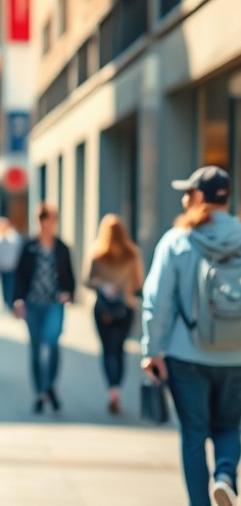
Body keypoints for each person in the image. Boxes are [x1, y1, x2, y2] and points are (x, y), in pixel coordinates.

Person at [142, 166, 241, 506]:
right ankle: (226, 476)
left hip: (186, 355)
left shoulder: (177, 240)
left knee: (194, 435)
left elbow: (157, 301)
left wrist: (152, 350)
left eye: (188, 192)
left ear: (200, 197)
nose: (183, 199)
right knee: (230, 426)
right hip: (236, 355)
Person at [13, 203, 75, 414]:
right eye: (43, 219)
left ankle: (50, 386)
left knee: (53, 343)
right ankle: (40, 392)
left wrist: (68, 292)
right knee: (36, 347)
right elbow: (19, 276)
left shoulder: (61, 248)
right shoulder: (29, 246)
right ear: (39, 222)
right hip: (32, 304)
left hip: (54, 305)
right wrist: (17, 300)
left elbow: (70, 277)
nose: (47, 224)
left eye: (51, 219)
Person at [84, 214, 143, 414]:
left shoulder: (97, 253)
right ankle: (117, 387)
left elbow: (87, 280)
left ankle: (112, 390)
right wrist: (123, 288)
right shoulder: (132, 254)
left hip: (102, 309)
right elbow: (138, 282)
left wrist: (103, 285)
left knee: (107, 349)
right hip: (125, 308)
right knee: (119, 349)